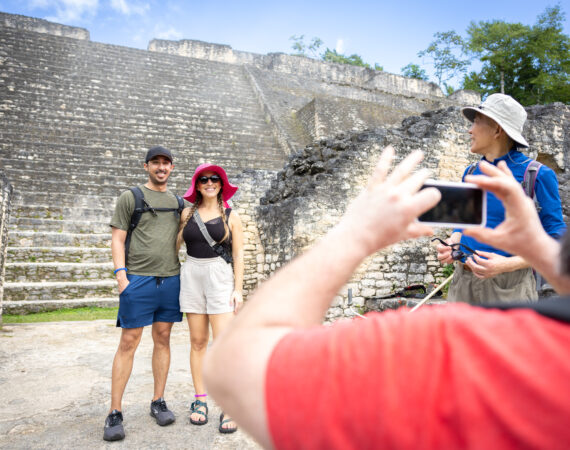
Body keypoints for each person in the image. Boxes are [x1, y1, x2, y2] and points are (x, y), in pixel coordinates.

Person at [203, 146, 570, 449]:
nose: (471, 128)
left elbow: (234, 367)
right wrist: (540, 253)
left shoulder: (475, 349)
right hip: (467, 276)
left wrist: (355, 234)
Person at [435, 93, 566, 304]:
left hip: (508, 287)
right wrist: (452, 243)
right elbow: (462, 225)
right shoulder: (470, 171)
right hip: (462, 283)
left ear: (497, 129)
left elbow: (557, 242)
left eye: (476, 122)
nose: (470, 130)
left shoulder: (538, 175)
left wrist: (508, 264)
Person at [104, 146, 184, 442]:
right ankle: (115, 411)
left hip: (170, 280)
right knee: (128, 342)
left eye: (166, 163)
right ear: (146, 166)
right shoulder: (131, 197)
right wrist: (120, 274)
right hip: (137, 279)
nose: (161, 167)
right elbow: (117, 237)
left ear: (172, 168)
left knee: (163, 338)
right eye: (155, 163)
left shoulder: (178, 202)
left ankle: (158, 401)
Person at [177, 163, 244, 434]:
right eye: (203, 179)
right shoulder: (186, 213)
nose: (209, 183)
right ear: (197, 184)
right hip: (192, 274)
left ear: (221, 183)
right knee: (197, 342)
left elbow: (238, 254)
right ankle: (200, 400)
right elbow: (175, 245)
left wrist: (237, 289)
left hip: (219, 276)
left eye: (214, 179)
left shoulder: (231, 215)